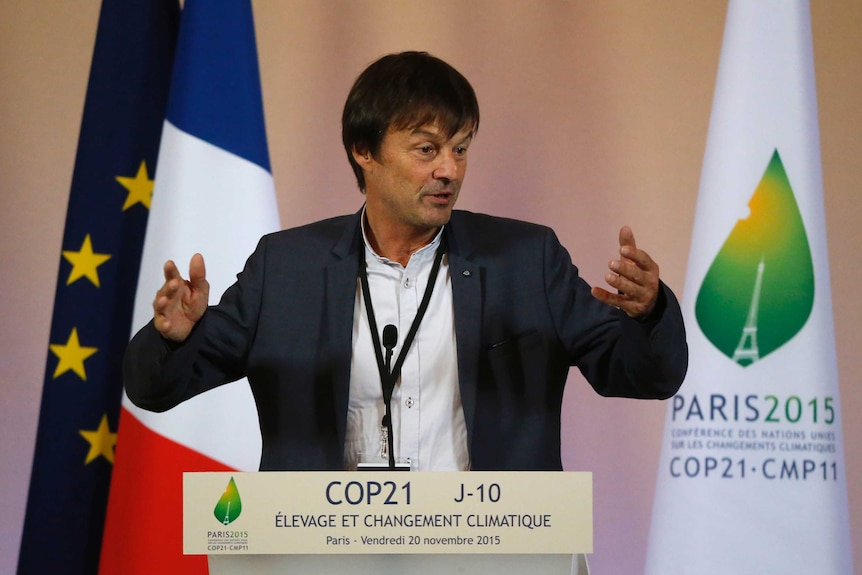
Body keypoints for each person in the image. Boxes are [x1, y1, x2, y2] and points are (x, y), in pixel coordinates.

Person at [124, 51, 687, 472]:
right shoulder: (286, 269)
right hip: (328, 557)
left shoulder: (526, 261)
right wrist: (171, 338)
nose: (450, 170)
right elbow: (155, 389)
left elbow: (644, 376)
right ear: (363, 151)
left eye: (461, 148)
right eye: (427, 150)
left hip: (488, 556)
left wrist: (649, 314)